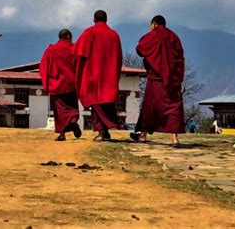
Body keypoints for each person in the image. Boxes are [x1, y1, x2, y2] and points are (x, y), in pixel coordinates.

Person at [130, 15, 185, 147]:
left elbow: (139, 49)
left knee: (149, 108)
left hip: (155, 79)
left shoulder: (153, 35)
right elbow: (179, 58)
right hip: (171, 80)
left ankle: (143, 136)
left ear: (153, 25)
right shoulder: (174, 37)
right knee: (172, 108)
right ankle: (174, 138)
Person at [73, 10, 123, 141]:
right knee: (105, 104)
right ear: (106, 19)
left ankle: (101, 132)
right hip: (109, 77)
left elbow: (77, 52)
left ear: (94, 19)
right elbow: (119, 58)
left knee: (96, 104)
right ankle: (105, 132)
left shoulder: (90, 32)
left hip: (93, 76)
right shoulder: (114, 35)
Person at [40, 29, 82, 141]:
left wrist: (46, 85)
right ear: (68, 36)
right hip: (71, 84)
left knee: (60, 112)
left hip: (57, 85)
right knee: (72, 107)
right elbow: (80, 66)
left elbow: (43, 68)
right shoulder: (74, 49)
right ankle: (73, 122)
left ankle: (62, 134)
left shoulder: (51, 50)